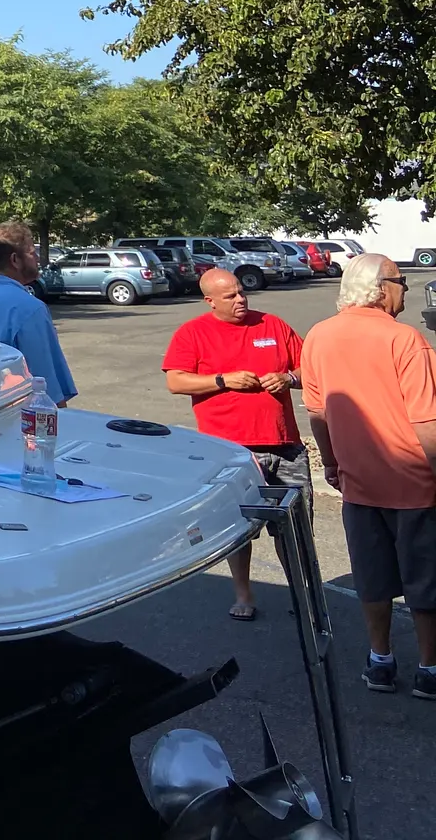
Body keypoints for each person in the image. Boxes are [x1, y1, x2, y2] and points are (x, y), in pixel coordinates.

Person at [302, 252, 436, 698]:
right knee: (426, 580)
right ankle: (429, 669)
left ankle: (380, 661)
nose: (406, 289)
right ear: (380, 288)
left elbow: (318, 413)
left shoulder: (319, 336)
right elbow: (426, 423)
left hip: (359, 484)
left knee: (373, 577)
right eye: (402, 281)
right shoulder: (405, 340)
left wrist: (333, 464)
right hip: (414, 484)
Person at [162, 266, 307, 621]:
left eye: (241, 292)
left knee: (296, 526)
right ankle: (244, 592)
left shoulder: (272, 325)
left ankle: (303, 595)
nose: (240, 300)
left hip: (284, 444)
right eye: (230, 296)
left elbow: (310, 369)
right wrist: (222, 380)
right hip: (231, 451)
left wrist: (287, 377)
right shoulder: (193, 333)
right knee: (237, 528)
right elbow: (176, 382)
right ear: (210, 301)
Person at [0, 221, 77, 405]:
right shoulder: (28, 309)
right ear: (15, 260)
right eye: (32, 252)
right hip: (14, 419)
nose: (37, 258)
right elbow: (46, 390)